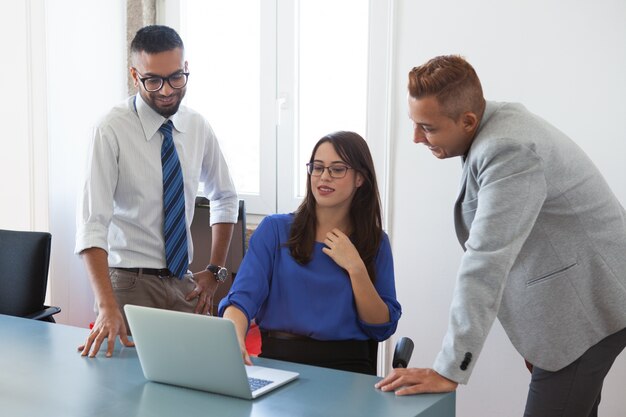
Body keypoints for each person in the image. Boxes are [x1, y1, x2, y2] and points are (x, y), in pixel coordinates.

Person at [375, 55, 626, 416]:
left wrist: (449, 369)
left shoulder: (508, 150)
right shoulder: (491, 126)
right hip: (581, 293)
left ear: (468, 121)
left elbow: (485, 259)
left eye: (427, 128)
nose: (416, 138)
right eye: (414, 124)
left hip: (590, 305)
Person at [75, 25, 238, 358]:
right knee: (123, 397)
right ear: (135, 75)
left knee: (193, 384)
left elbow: (225, 196)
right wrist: (107, 306)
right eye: (153, 80)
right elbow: (92, 225)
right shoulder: (110, 129)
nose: (166, 91)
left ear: (186, 68)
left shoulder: (197, 127)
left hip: (183, 285)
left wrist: (215, 271)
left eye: (176, 78)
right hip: (128, 286)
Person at [219, 131, 401, 375]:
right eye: (317, 167)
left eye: (337, 169)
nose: (324, 177)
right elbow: (240, 300)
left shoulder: (375, 242)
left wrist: (356, 268)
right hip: (278, 363)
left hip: (348, 372)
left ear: (360, 178)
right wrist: (233, 337)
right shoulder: (274, 230)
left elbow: (381, 327)